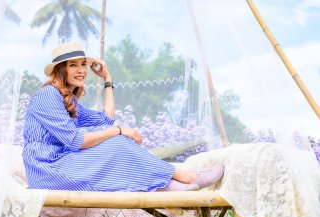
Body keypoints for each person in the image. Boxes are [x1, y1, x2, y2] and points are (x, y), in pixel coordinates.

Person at [22, 42, 224, 192]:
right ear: (60, 69)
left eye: (83, 64)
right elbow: (76, 141)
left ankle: (168, 185)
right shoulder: (47, 95)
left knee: (113, 141)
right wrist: (119, 131)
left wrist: (107, 79)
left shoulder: (69, 101)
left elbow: (105, 120)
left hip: (62, 162)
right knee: (116, 142)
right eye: (73, 65)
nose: (81, 70)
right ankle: (186, 177)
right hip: (46, 169)